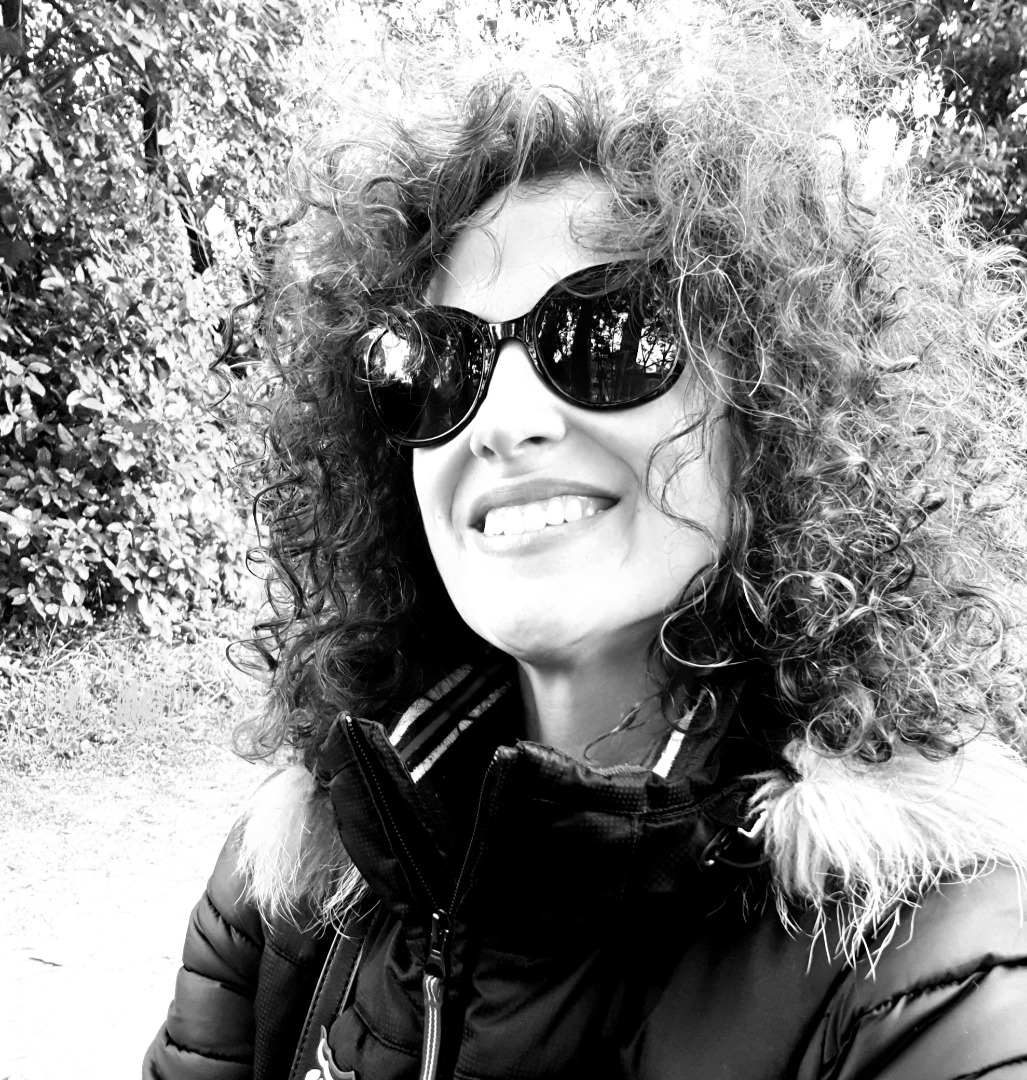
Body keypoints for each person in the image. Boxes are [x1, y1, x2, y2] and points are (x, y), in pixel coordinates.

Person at [145, 1, 1027, 1077]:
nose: (502, 420)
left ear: (772, 412)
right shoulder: (290, 880)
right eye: (441, 362)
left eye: (608, 332)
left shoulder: (931, 962)